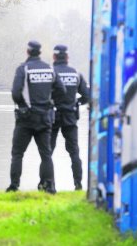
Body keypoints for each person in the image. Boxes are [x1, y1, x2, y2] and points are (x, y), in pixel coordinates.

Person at [6, 40, 66, 194]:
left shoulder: (23, 69)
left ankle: (14, 186)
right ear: (39, 52)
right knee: (46, 154)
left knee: (18, 153)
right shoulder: (50, 69)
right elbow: (62, 90)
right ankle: (49, 187)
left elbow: (15, 93)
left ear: (28, 51)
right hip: (45, 117)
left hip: (26, 119)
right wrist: (51, 102)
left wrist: (23, 106)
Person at [47, 45, 89, 190]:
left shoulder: (49, 73)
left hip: (52, 116)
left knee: (48, 152)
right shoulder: (76, 74)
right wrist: (76, 102)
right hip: (71, 116)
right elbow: (88, 96)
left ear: (54, 57)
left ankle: (48, 184)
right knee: (74, 152)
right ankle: (78, 184)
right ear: (67, 57)